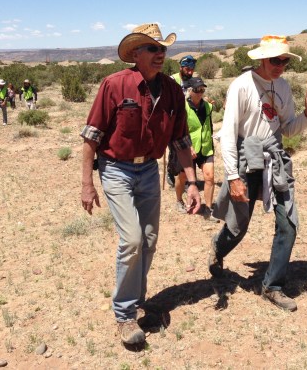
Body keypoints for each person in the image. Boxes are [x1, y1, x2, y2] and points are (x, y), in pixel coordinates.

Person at [80, 23, 202, 346]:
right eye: (153, 49)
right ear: (136, 54)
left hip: (149, 170)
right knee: (132, 238)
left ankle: (136, 299)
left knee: (149, 239)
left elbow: (181, 142)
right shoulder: (115, 85)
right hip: (116, 169)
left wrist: (192, 183)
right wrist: (86, 183)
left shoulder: (174, 91)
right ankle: (124, 314)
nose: (160, 54)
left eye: (163, 49)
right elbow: (91, 136)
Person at [207, 35, 307, 312]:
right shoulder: (241, 86)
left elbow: (288, 129)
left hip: (275, 159)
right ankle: (218, 248)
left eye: (285, 60)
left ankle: (272, 286)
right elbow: (229, 134)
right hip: (246, 158)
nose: (280, 65)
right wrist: (233, 177)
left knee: (289, 224)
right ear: (261, 59)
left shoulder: (282, 86)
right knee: (238, 226)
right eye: (275, 60)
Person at [175, 77, 217, 221]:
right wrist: (189, 146)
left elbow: (209, 126)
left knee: (209, 177)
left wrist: (212, 140)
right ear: (190, 91)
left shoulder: (208, 107)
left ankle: (208, 209)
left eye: (202, 90)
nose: (200, 93)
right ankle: (179, 200)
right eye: (197, 90)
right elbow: (180, 129)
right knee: (183, 176)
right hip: (188, 148)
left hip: (206, 147)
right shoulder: (183, 107)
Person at [167, 55, 198, 186]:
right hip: (174, 122)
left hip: (189, 121)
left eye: (192, 69)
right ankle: (171, 171)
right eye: (187, 69)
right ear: (181, 67)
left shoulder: (192, 81)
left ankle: (185, 179)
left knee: (186, 150)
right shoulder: (172, 80)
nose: (190, 72)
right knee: (175, 151)